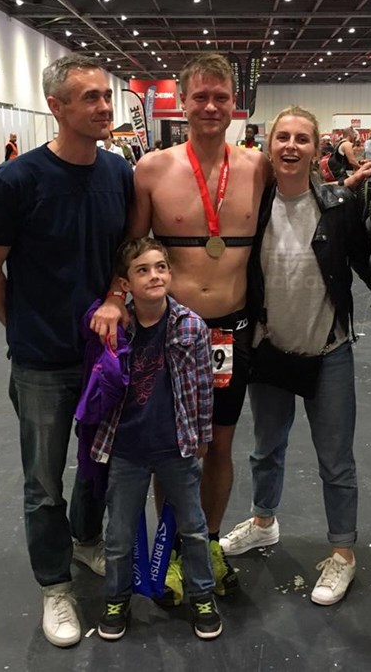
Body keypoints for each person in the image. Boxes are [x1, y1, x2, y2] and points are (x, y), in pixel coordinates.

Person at [93, 52, 272, 598]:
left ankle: (207, 542)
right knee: (171, 449)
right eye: (201, 97)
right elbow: (132, 246)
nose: (211, 106)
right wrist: (115, 297)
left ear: (235, 104)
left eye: (221, 97)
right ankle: (171, 549)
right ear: (184, 103)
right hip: (167, 334)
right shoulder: (152, 169)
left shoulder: (257, 167)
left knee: (219, 445)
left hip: (231, 331)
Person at [0, 54, 133, 648]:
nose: (104, 107)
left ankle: (86, 542)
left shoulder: (118, 173)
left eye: (106, 96)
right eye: (90, 97)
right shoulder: (18, 180)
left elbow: (126, 251)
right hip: (41, 361)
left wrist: (115, 296)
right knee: (43, 482)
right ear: (56, 107)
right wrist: (21, 327)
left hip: (102, 358)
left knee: (97, 466)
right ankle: (54, 585)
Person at [219, 106, 371, 606]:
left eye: (301, 138)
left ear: (317, 146)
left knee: (336, 460)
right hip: (269, 350)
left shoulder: (339, 205)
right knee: (266, 448)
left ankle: (343, 552)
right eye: (282, 137)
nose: (290, 146)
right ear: (269, 146)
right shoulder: (252, 207)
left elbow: (370, 265)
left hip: (328, 350)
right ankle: (263, 521)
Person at [92, 238, 222, 642]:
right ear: (125, 283)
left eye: (161, 267)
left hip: (176, 448)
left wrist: (202, 436)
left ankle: (202, 595)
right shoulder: (117, 328)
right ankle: (117, 598)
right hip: (126, 449)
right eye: (143, 270)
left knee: (194, 528)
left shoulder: (191, 327)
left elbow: (203, 387)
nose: (155, 276)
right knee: (118, 534)